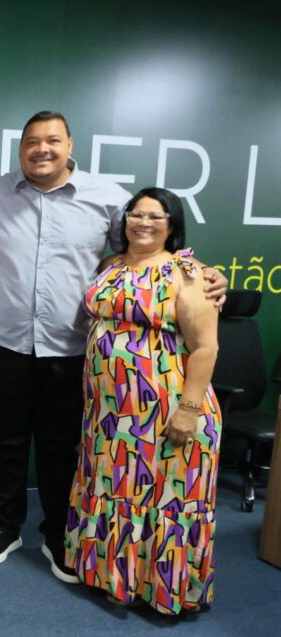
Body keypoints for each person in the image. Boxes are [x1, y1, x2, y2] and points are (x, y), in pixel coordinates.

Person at [0, 111, 226, 582]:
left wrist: (203, 271)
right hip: (5, 342)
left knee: (61, 446)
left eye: (52, 140)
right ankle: (6, 527)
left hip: (71, 346)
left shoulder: (109, 199)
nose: (42, 149)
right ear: (20, 148)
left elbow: (149, 244)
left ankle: (58, 533)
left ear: (69, 145)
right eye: (32, 141)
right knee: (6, 441)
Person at [65, 188, 220, 615]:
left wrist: (188, 411)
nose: (143, 223)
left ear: (172, 224)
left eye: (156, 216)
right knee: (113, 491)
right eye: (136, 214)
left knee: (162, 499)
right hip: (110, 415)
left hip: (166, 413)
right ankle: (114, 579)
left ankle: (161, 589)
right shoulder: (111, 265)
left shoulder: (188, 275)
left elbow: (206, 347)